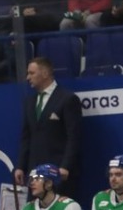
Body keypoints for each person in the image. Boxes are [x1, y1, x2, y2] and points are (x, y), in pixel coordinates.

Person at [16, 56, 84, 187]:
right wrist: (20, 166)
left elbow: (74, 137)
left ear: (45, 73)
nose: (28, 77)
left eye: (31, 73)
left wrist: (65, 166)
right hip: (35, 173)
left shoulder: (67, 99)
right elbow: (26, 137)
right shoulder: (29, 102)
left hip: (58, 172)